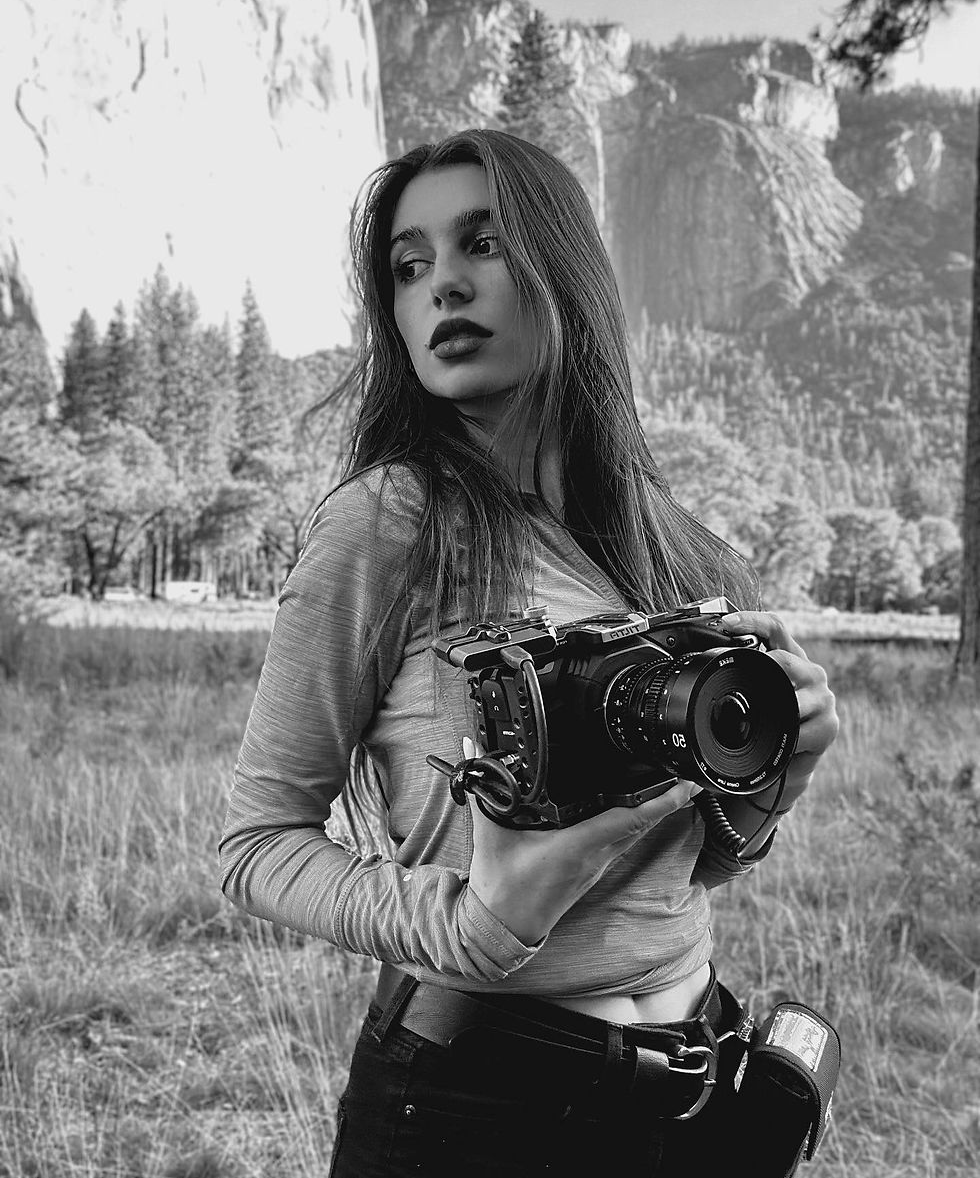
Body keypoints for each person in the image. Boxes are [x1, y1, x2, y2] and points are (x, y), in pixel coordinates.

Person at [219, 129, 839, 1177]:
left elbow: (703, 859)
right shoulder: (388, 521)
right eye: (408, 267)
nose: (442, 286)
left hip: (696, 1086)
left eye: (482, 244)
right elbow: (254, 844)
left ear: (562, 268)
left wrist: (770, 781)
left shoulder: (665, 542)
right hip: (475, 1104)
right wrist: (472, 921)